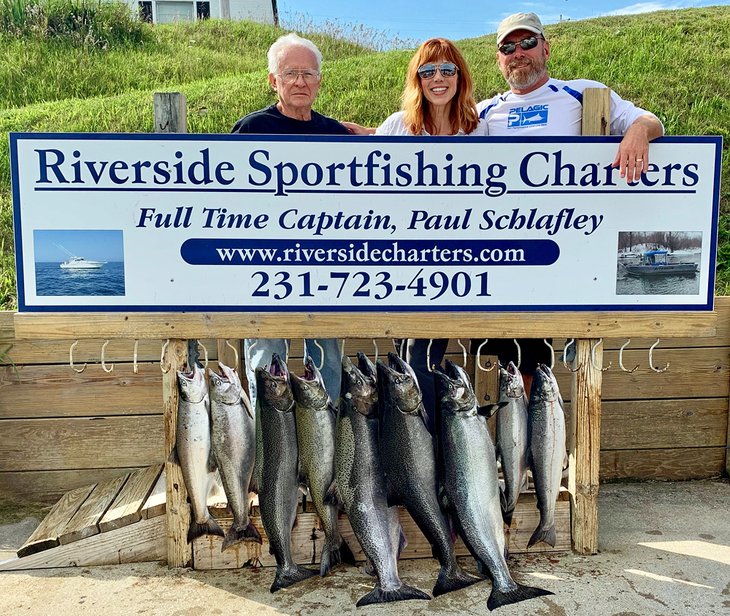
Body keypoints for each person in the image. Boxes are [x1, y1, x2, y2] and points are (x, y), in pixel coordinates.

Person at [474, 12, 665, 394]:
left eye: (527, 43)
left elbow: (648, 119)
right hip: (508, 253)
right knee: (512, 369)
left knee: (554, 365)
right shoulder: (484, 111)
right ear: (499, 59)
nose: (518, 53)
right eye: (507, 47)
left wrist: (640, 131)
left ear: (546, 48)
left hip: (571, 252)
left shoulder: (580, 92)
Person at [348, 37, 488, 429]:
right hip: (400, 257)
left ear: (461, 76)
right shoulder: (397, 126)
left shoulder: (479, 131)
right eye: (428, 71)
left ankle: (431, 455)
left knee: (420, 355)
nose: (438, 78)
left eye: (447, 70)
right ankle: (416, 455)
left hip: (456, 259)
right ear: (417, 79)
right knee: (404, 355)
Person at [231, 32, 350, 408]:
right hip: (264, 264)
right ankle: (271, 450)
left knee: (327, 355)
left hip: (326, 263)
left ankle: (324, 449)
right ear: (273, 80)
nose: (300, 81)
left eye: (308, 73)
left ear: (320, 81)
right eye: (290, 73)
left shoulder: (335, 133)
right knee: (265, 353)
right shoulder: (249, 130)